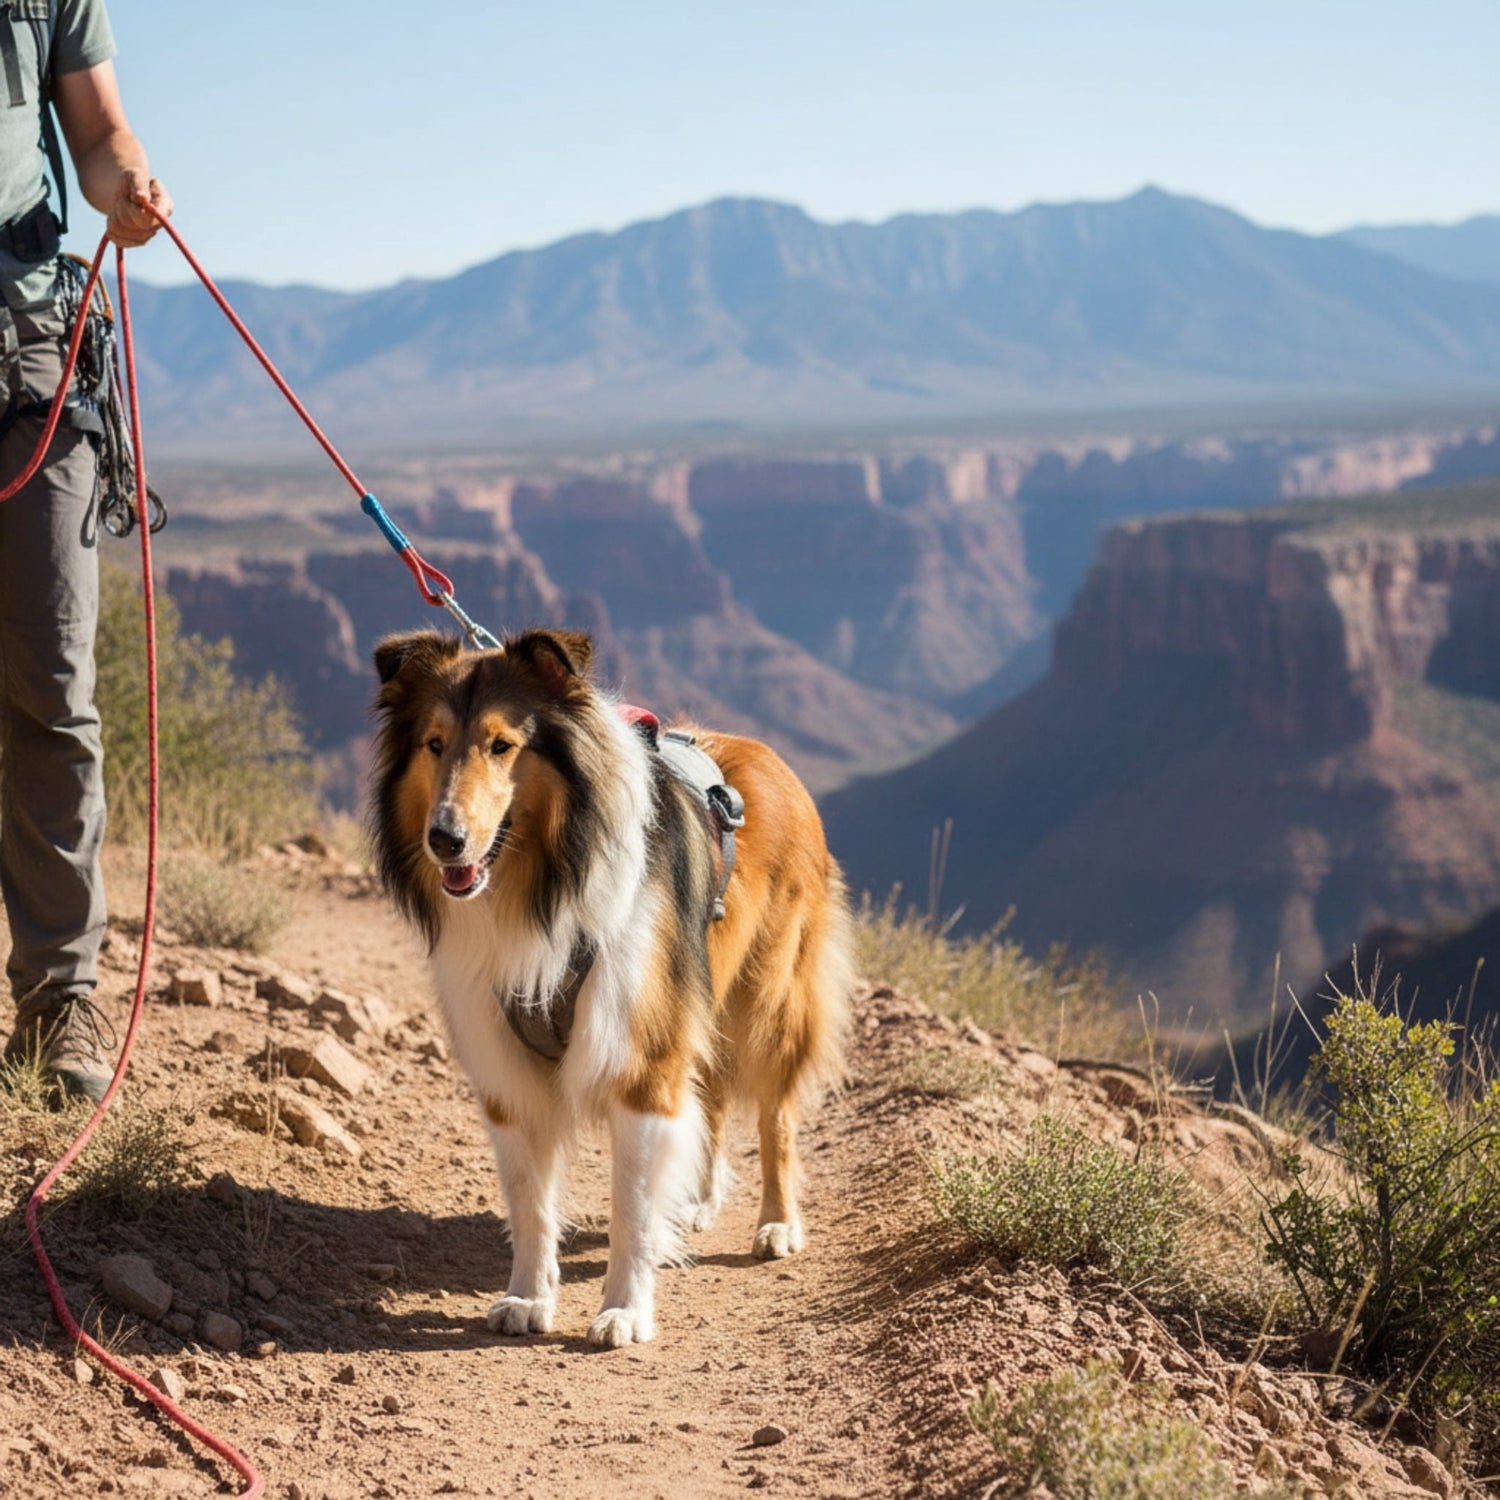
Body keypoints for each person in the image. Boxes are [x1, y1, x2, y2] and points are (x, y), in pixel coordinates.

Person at [0, 0, 171, 1101]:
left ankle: (60, 1000)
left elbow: (98, 132)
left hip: (31, 358)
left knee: (55, 689)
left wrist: (124, 187)